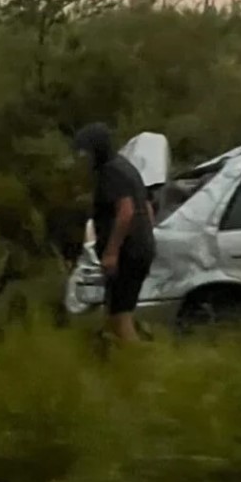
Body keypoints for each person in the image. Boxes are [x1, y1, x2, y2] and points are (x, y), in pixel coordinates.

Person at [72, 122, 156, 345]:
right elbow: (147, 207)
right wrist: (147, 238)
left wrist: (112, 252)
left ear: (97, 149)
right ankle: (115, 358)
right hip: (139, 247)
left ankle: (140, 363)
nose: (83, 157)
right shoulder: (126, 167)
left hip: (128, 252)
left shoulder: (110, 172)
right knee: (114, 311)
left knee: (120, 317)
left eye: (86, 151)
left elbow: (126, 212)